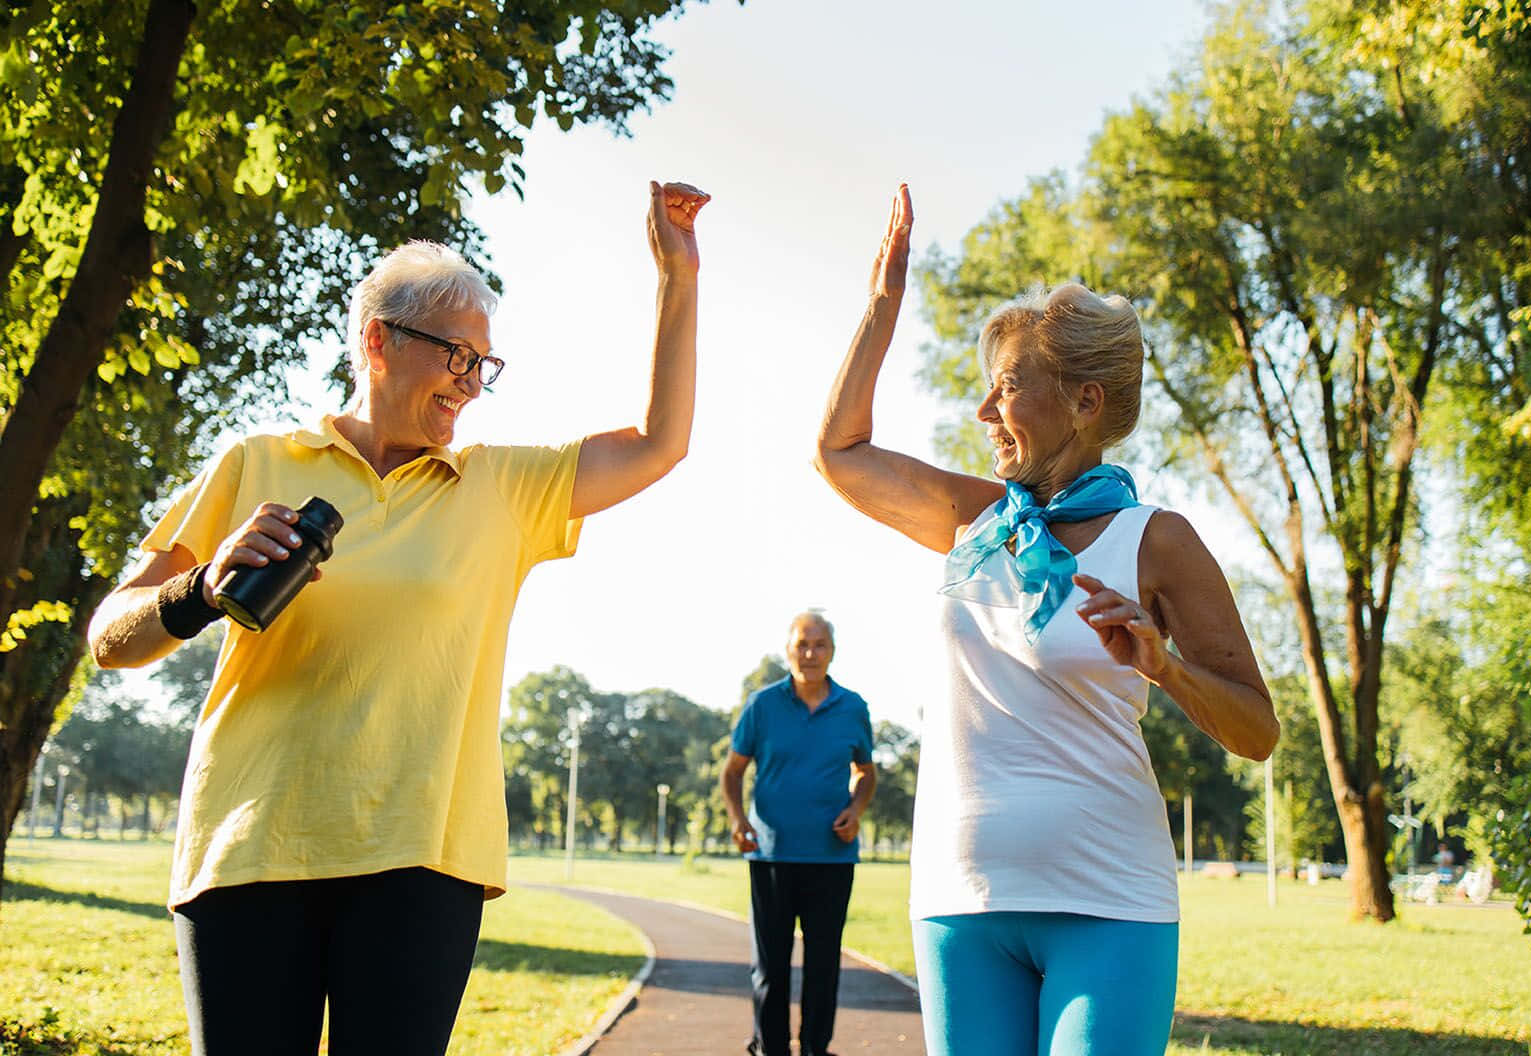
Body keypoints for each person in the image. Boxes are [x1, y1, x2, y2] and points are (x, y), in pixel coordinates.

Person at [85, 180, 710, 1056]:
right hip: (251, 845)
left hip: (421, 859)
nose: (471, 386)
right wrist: (202, 587)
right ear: (380, 341)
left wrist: (677, 278)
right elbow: (111, 639)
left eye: (482, 367)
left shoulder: (500, 487)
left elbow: (658, 443)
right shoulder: (258, 461)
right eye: (458, 358)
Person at [813, 185, 1279, 1056]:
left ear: (1084, 402)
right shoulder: (972, 520)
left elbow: (1257, 731)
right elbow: (840, 453)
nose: (984, 414)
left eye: (1006, 390)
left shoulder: (1159, 542)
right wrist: (881, 306)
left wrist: (1165, 668)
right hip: (961, 898)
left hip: (1109, 899)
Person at [721, 612, 878, 1056]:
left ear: (832, 650)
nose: (810, 653)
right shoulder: (762, 705)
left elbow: (865, 771)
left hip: (832, 857)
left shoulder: (853, 707)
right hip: (771, 854)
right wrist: (738, 819)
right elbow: (732, 772)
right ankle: (770, 1048)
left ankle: (815, 1048)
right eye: (802, 644)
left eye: (820, 644)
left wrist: (856, 807)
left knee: (823, 966)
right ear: (788, 649)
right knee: (770, 967)